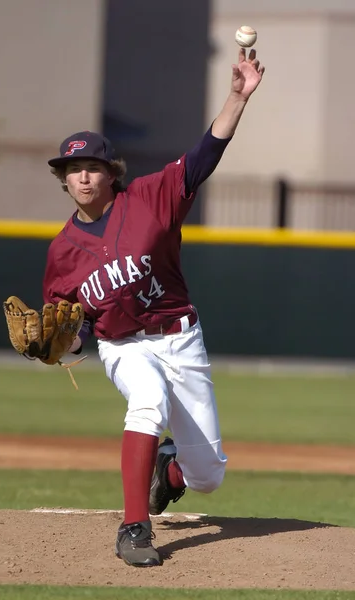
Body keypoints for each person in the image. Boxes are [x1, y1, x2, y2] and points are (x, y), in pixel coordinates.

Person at [43, 48, 265, 568]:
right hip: (123, 346)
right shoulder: (62, 251)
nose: (83, 178)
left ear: (109, 172)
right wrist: (53, 346)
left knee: (208, 476)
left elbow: (205, 153)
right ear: (63, 179)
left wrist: (236, 96)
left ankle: (168, 470)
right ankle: (134, 527)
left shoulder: (150, 197)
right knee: (146, 401)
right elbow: (70, 329)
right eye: (72, 169)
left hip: (181, 337)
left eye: (92, 167)